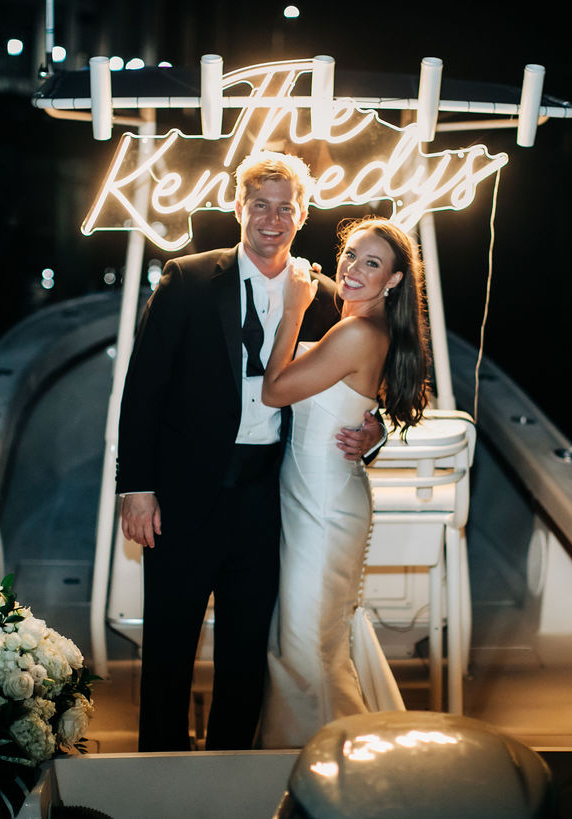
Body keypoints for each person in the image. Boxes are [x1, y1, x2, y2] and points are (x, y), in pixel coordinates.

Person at [116, 151, 384, 752]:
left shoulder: (321, 297)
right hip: (183, 497)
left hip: (268, 502)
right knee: (168, 654)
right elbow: (143, 389)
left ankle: (230, 781)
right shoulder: (186, 279)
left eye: (284, 207)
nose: (271, 218)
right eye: (259, 205)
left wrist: (377, 430)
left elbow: (362, 381)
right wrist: (136, 488)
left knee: (246, 659)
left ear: (303, 214)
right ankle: (158, 780)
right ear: (238, 208)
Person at [258, 216, 431, 748]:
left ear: (395, 281)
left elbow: (275, 391)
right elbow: (358, 400)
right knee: (321, 639)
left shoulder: (355, 332)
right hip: (321, 494)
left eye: (371, 263)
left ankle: (329, 762)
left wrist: (291, 311)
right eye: (351, 254)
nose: (352, 269)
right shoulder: (368, 328)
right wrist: (373, 426)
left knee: (306, 649)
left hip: (324, 508)